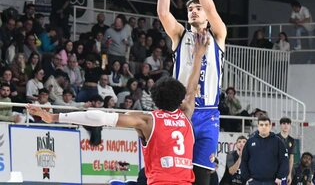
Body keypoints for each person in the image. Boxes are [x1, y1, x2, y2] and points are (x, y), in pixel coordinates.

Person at [27, 30, 209, 185]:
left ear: (155, 99)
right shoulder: (185, 114)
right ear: (179, 99)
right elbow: (192, 89)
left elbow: (99, 117)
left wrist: (55, 117)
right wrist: (199, 55)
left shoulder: (147, 120)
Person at [157, 0, 227, 185]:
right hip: (181, 112)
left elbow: (211, 8)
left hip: (208, 114)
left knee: (202, 178)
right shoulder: (180, 35)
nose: (194, 11)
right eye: (190, 9)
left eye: (198, 8)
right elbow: (163, 13)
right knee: (175, 175)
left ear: (206, 15)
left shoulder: (218, 35)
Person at [240, 115, 289, 185]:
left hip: (273, 182)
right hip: (254, 182)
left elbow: (284, 161)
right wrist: (247, 177)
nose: (264, 127)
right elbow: (244, 161)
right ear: (258, 126)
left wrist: (279, 177)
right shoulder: (250, 141)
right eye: (261, 125)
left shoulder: (278, 142)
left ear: (270, 126)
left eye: (266, 125)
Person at [277, 117, 295, 185]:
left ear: (290, 126)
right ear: (280, 125)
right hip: (275, 171)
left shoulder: (292, 140)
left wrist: (289, 174)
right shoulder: (275, 138)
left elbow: (291, 158)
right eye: (284, 123)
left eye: (288, 124)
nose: (286, 125)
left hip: (285, 172)